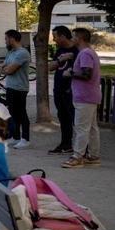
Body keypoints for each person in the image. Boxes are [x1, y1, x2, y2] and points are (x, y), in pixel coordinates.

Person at [63, 27, 102, 169]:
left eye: (73, 37)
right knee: (91, 128)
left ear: (79, 39)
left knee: (81, 128)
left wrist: (70, 73)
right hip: (90, 96)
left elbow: (87, 74)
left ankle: (77, 157)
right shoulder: (89, 52)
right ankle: (93, 156)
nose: (71, 39)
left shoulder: (85, 54)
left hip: (84, 97)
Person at [0, 29, 32, 148]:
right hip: (10, 86)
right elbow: (2, 68)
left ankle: (26, 138)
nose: (5, 41)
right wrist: (5, 69)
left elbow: (9, 70)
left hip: (20, 88)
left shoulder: (22, 53)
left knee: (21, 113)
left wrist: (6, 69)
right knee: (13, 113)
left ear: (12, 39)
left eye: (6, 39)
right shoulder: (11, 52)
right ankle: (16, 136)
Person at [49, 26, 78, 155]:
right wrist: (60, 60)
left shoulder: (77, 50)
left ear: (63, 36)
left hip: (71, 91)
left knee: (75, 119)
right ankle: (66, 143)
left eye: (55, 36)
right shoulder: (60, 50)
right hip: (58, 89)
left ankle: (82, 148)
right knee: (63, 117)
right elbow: (51, 67)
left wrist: (71, 57)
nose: (54, 39)